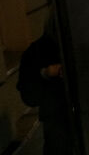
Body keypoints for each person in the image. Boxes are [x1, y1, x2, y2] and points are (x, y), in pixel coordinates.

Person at [16, 14, 74, 154]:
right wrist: (46, 74)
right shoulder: (37, 52)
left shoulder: (37, 51)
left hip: (62, 123)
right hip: (58, 125)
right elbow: (29, 96)